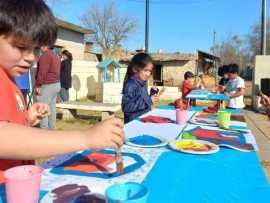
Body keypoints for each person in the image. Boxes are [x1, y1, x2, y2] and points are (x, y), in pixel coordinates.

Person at [0, 0, 124, 171]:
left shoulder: (9, 78)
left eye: (36, 50)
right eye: (21, 47)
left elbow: (7, 123)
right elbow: (4, 137)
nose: (31, 57)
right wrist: (85, 137)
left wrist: (26, 118)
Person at [122, 53, 159, 123]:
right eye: (145, 70)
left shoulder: (142, 83)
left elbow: (141, 99)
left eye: (150, 71)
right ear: (135, 69)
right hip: (133, 124)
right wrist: (149, 100)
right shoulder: (131, 85)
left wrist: (152, 93)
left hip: (143, 121)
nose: (148, 74)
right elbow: (126, 107)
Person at [35, 45, 61, 129]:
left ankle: (44, 131)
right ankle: (51, 129)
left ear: (44, 46)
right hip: (56, 83)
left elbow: (42, 72)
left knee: (43, 108)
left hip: (47, 84)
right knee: (52, 108)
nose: (39, 47)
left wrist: (38, 85)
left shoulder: (45, 56)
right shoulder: (55, 55)